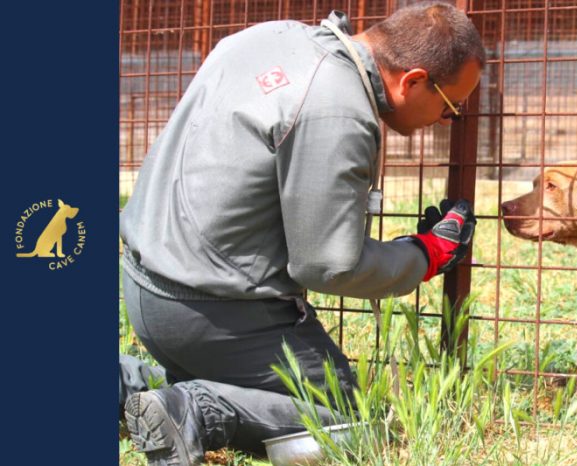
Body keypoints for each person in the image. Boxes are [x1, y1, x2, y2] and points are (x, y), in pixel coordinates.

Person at [119, 1, 485, 464]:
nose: (446, 120)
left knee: (259, 388)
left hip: (143, 286)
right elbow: (328, 266)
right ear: (412, 80)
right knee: (349, 420)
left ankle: (123, 385)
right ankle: (192, 410)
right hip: (216, 311)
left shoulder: (270, 37)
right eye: (450, 106)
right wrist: (425, 254)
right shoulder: (340, 109)